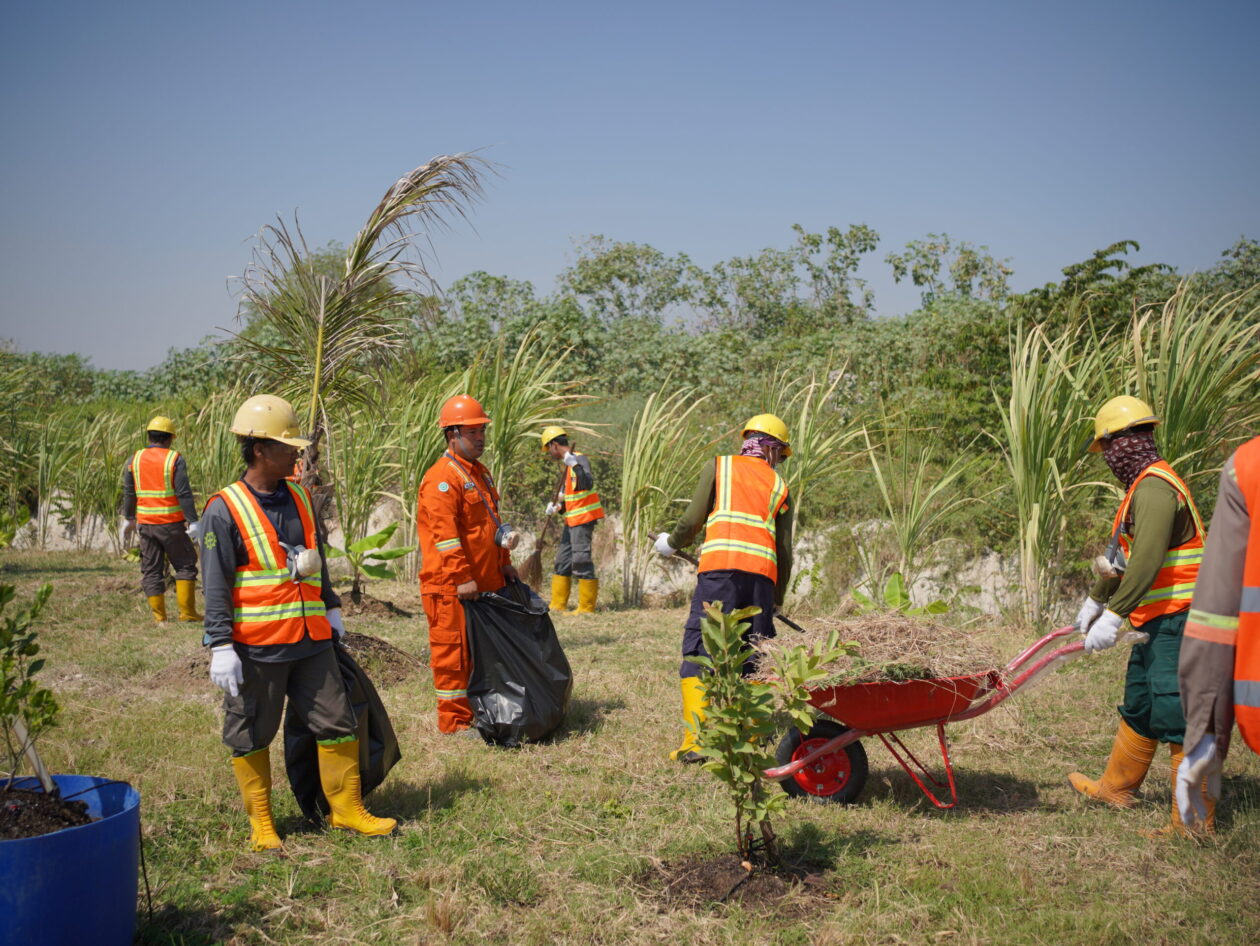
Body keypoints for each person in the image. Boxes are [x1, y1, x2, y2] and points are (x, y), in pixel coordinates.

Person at [203, 394, 395, 851]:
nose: (297, 453)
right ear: (259, 449)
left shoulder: (301, 499)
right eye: (287, 445)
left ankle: (345, 811)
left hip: (312, 642)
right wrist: (220, 645)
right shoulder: (224, 509)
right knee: (250, 733)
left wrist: (330, 606)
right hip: (258, 646)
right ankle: (263, 824)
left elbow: (316, 560)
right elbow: (215, 583)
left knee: (338, 721)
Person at [1068, 395, 1208, 835]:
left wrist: (1113, 616)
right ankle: (1115, 788)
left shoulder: (1155, 488)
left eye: (1109, 446)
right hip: (1156, 619)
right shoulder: (1140, 489)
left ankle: (1193, 822)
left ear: (1128, 440)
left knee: (1178, 711)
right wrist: (1094, 600)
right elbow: (1123, 561)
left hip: (1181, 618)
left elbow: (1146, 561)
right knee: (1142, 703)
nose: (1109, 456)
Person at [654, 413, 794, 763]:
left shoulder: (719, 466)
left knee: (701, 649)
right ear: (773, 450)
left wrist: (670, 543)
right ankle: (750, 738)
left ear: (749, 440)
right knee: (755, 654)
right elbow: (785, 551)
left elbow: (691, 519)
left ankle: (698, 742)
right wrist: (776, 599)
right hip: (761, 579)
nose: (780, 460)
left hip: (720, 574)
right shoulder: (780, 486)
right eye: (781, 454)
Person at [416, 394, 520, 734]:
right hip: (451, 588)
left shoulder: (479, 473)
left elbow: (491, 523)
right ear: (452, 434)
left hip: (484, 583)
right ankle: (455, 721)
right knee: (453, 656)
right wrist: (462, 577)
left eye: (482, 430)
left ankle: (481, 709)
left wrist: (504, 562)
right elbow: (446, 537)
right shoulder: (441, 479)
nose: (480, 437)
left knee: (480, 653)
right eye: (472, 431)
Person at [1175, 435, 1260, 831]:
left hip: (1168, 614)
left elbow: (1218, 614)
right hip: (1148, 617)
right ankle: (1117, 784)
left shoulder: (1248, 466)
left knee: (1157, 703)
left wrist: (1206, 732)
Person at [120, 415, 202, 624]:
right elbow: (183, 493)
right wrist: (193, 521)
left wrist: (129, 518)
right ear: (170, 438)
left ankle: (160, 618)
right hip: (171, 524)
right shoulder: (174, 459)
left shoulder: (134, 459)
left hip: (146, 525)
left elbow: (129, 492)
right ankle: (187, 613)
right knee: (185, 565)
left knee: (151, 569)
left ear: (149, 436)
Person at [541, 425, 605, 614]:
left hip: (584, 519)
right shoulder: (568, 465)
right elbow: (573, 498)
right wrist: (558, 508)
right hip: (572, 520)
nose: (549, 454)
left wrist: (574, 464)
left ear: (554, 445)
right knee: (562, 560)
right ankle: (558, 604)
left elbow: (587, 482)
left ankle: (586, 608)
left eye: (548, 449)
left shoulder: (578, 459)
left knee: (581, 559)